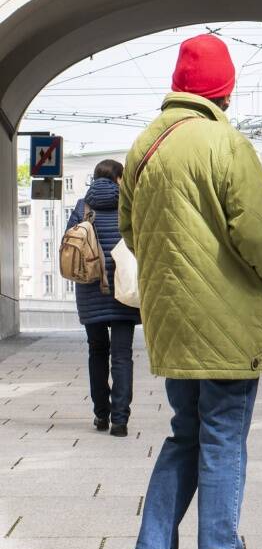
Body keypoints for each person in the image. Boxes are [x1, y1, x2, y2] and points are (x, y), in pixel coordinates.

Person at [121, 34, 262, 549]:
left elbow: (130, 231)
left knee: (186, 433)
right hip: (227, 323)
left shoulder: (144, 144)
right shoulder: (226, 143)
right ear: (225, 90)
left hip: (172, 322)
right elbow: (258, 235)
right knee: (223, 439)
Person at [67, 159, 141, 437]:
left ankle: (101, 415)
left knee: (97, 351)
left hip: (90, 290)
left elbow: (70, 246)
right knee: (122, 356)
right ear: (119, 179)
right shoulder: (130, 205)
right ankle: (120, 421)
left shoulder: (81, 208)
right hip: (124, 290)